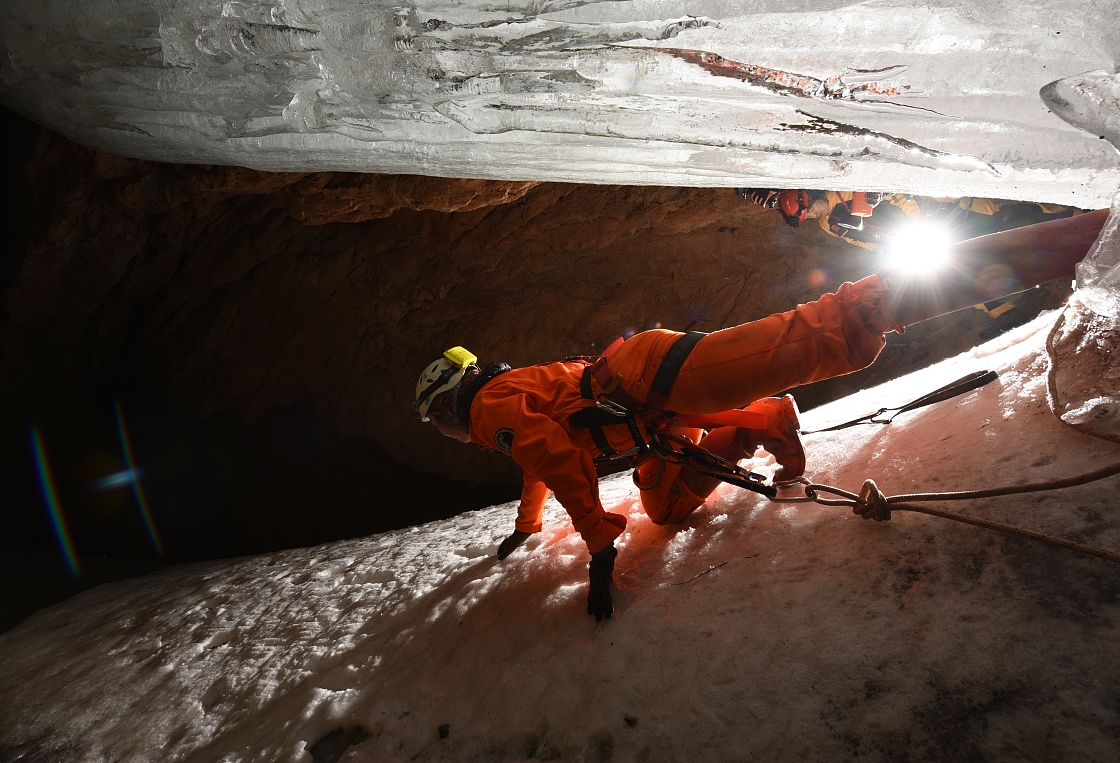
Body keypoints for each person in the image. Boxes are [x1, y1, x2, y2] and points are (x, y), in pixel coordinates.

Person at [414, 210, 1109, 622]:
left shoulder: (489, 410)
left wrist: (597, 548)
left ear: (448, 402)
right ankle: (759, 420)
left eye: (438, 419)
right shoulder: (501, 402)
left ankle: (1092, 238)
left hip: (654, 377)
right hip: (653, 402)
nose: (447, 430)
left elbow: (556, 459)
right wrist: (528, 526)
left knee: (838, 324)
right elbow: (538, 461)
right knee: (661, 507)